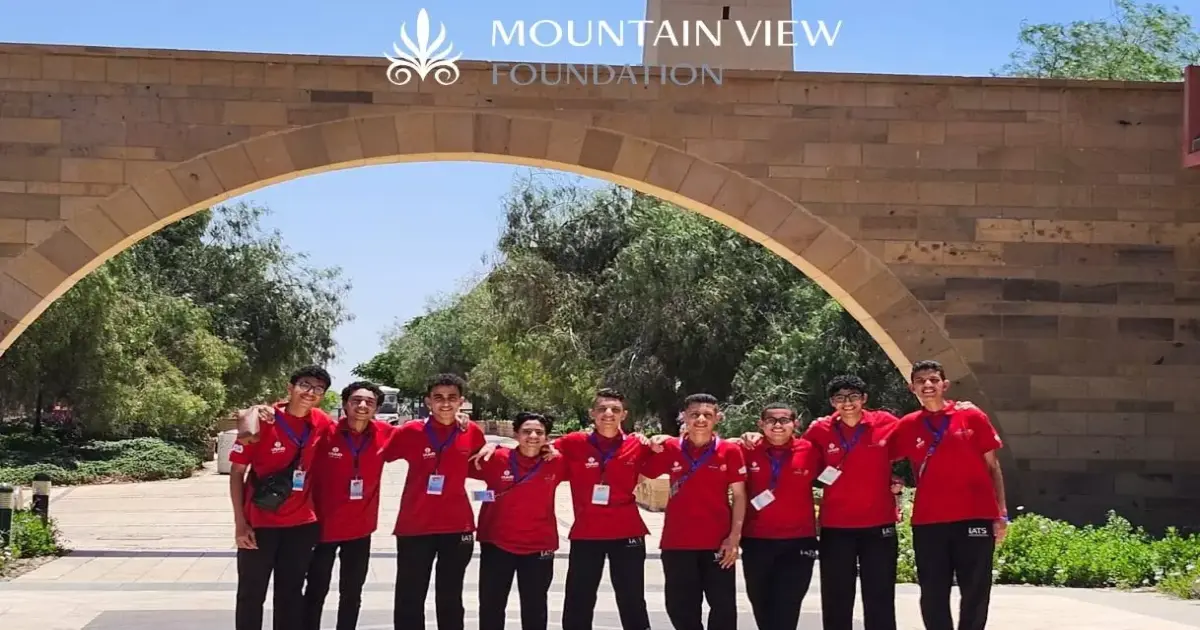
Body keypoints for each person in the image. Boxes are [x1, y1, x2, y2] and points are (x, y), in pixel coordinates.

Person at [890, 359, 1008, 630]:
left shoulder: (971, 416)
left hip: (975, 516)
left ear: (945, 384)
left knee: (976, 590)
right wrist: (892, 480)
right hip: (929, 521)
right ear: (912, 388)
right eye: (920, 381)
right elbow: (877, 456)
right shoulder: (908, 425)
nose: (927, 385)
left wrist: (1001, 513)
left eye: (933, 379)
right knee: (933, 591)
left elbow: (993, 466)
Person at [228, 365, 335, 630]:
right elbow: (237, 472)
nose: (311, 392)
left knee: (290, 595)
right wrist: (240, 524)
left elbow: (356, 428)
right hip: (259, 524)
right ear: (290, 388)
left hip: (301, 525)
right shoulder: (263, 421)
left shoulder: (321, 421)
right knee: (251, 594)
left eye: (318, 388)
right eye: (305, 385)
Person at [379, 373, 488, 630]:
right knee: (410, 596)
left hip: (457, 527)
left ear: (461, 401)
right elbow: (379, 449)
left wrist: (493, 448)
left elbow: (484, 457)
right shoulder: (410, 431)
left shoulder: (471, 431)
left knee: (450, 596)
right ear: (428, 401)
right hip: (415, 525)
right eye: (438, 397)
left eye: (452, 397)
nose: (445, 403)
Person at [643, 393, 747, 630]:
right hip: (677, 543)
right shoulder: (670, 447)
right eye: (694, 414)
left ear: (717, 418)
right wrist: (649, 443)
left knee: (723, 608)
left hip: (718, 544)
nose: (701, 419)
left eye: (707, 415)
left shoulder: (730, 450)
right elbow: (643, 472)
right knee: (680, 608)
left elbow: (740, 496)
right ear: (684, 417)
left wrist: (734, 538)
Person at [553, 388, 655, 630]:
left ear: (624, 415)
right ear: (592, 413)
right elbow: (534, 447)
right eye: (602, 409)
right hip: (587, 532)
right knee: (579, 598)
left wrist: (659, 438)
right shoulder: (573, 442)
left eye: (615, 409)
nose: (608, 413)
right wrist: (492, 448)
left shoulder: (637, 444)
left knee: (632, 598)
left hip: (627, 533)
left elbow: (676, 448)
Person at [301, 381, 392, 630]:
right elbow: (294, 410)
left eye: (369, 402)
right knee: (315, 590)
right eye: (356, 400)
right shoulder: (324, 430)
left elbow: (425, 431)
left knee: (352, 593)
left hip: (360, 530)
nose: (362, 405)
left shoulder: (386, 433)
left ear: (377, 409)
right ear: (344, 404)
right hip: (321, 528)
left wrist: (461, 419)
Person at [470, 412, 569, 630]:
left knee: (535, 608)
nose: (533, 436)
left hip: (539, 546)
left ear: (547, 438)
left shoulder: (557, 462)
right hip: (496, 544)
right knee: (491, 606)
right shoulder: (495, 458)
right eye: (526, 431)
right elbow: (458, 461)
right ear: (515, 434)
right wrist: (491, 445)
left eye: (539, 432)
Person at [736, 403, 821, 630]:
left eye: (784, 420)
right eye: (771, 420)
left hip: (799, 541)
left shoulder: (810, 450)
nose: (777, 425)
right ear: (760, 424)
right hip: (757, 540)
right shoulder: (746, 449)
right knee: (761, 603)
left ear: (795, 424)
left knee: (787, 604)